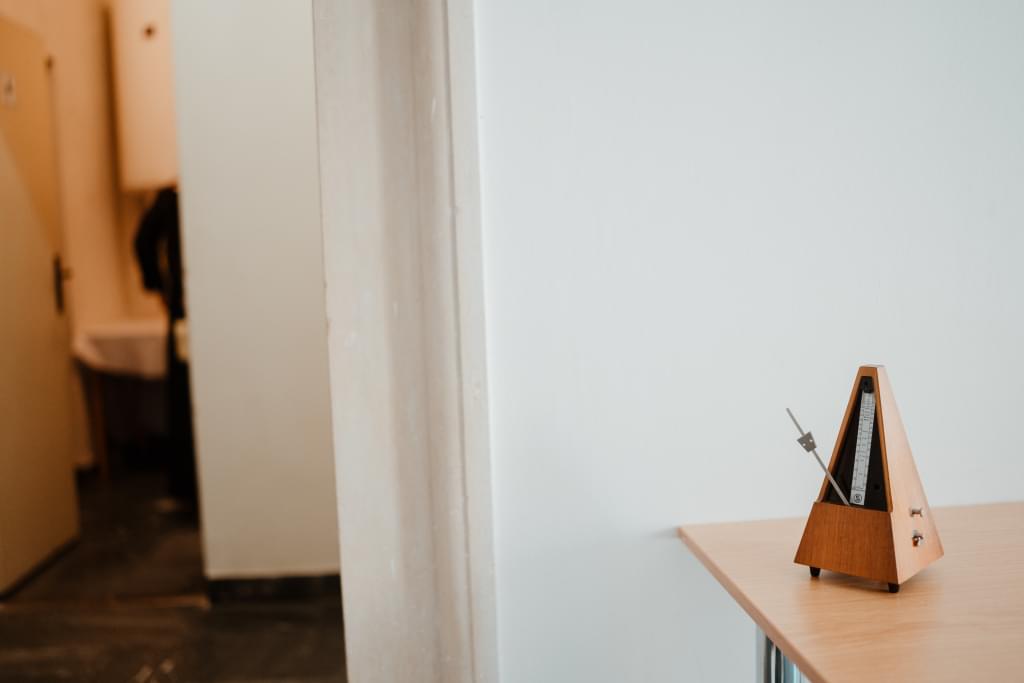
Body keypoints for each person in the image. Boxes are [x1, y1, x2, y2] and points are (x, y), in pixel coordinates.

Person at [134, 187, 196, 504]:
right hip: (187, 307)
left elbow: (143, 241)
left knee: (186, 397)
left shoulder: (173, 197)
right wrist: (161, 288)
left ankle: (187, 488)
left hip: (184, 305)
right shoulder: (174, 197)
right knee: (186, 396)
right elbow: (143, 241)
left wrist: (161, 288)